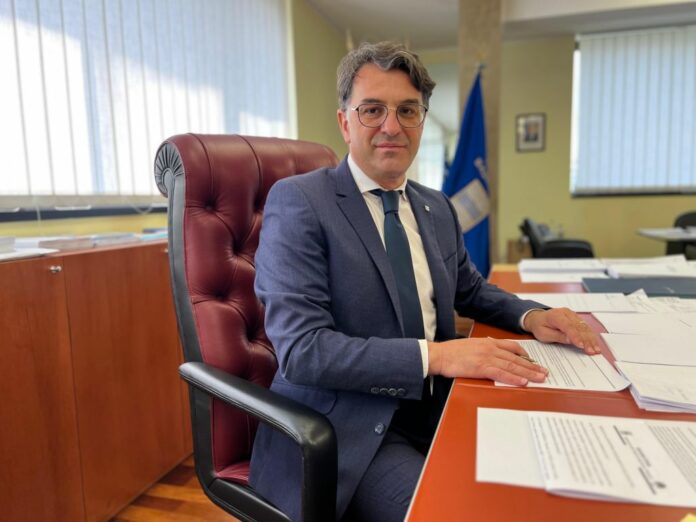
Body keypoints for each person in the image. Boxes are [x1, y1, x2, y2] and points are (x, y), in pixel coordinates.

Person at [249, 41, 600, 522]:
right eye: (373, 109)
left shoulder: (435, 205)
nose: (392, 126)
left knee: (547, 475)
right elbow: (303, 350)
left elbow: (470, 290)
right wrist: (437, 356)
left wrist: (532, 315)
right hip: (350, 427)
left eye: (408, 110)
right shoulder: (300, 202)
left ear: (421, 121)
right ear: (345, 122)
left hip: (439, 402)